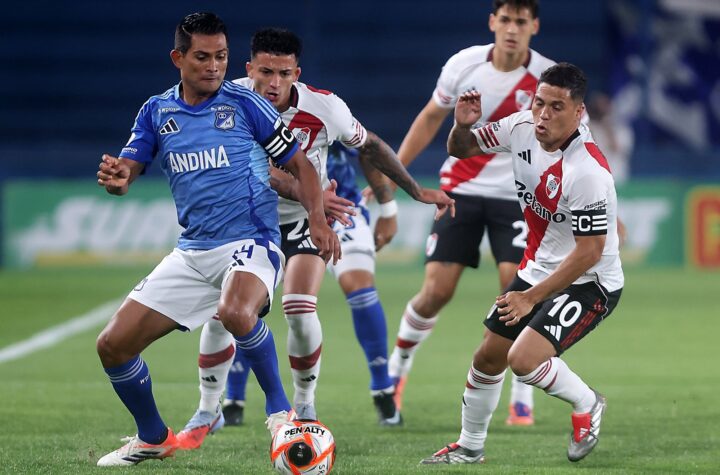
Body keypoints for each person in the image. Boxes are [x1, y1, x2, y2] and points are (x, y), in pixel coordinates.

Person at [175, 28, 455, 450]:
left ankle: (305, 407)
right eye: (265, 72)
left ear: (297, 73)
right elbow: (251, 168)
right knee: (223, 314)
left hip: (307, 220)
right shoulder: (227, 101)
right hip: (248, 222)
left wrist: (412, 192)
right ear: (248, 69)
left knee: (299, 307)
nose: (273, 83)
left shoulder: (325, 107)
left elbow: (371, 146)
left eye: (284, 73)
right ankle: (207, 409)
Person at [93, 13, 340, 466]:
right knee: (112, 345)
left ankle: (281, 413)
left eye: (221, 57)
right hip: (192, 251)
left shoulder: (247, 105)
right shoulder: (156, 111)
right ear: (178, 58)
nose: (214, 67)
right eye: (203, 57)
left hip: (252, 240)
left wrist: (318, 220)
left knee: (234, 312)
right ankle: (153, 437)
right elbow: (129, 167)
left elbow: (300, 164)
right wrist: (118, 179)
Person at [421, 62, 624, 465]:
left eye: (556, 107)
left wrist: (530, 297)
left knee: (523, 360)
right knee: (487, 358)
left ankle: (587, 402)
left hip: (590, 282)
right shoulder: (520, 127)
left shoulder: (587, 171)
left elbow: (589, 252)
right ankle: (469, 448)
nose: (543, 115)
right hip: (537, 270)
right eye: (539, 103)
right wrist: (462, 125)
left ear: (579, 112)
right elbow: (461, 149)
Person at [386, 0, 555, 426]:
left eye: (521, 21)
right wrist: (395, 173)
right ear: (492, 22)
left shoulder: (547, 77)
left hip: (517, 196)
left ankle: (521, 396)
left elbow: (563, 141)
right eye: (505, 20)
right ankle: (396, 372)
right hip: (459, 189)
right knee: (436, 291)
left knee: (516, 291)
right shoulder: (464, 65)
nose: (512, 29)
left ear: (534, 26)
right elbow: (430, 118)